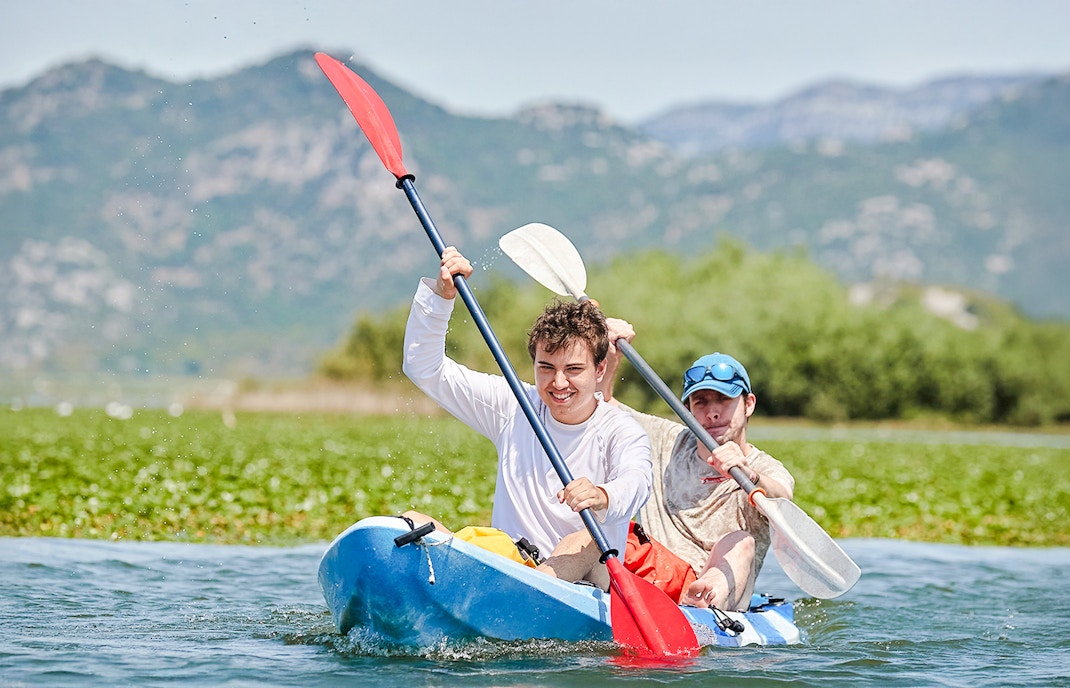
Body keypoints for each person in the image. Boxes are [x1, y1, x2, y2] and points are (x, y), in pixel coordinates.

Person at [400, 247, 652, 589]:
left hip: (588, 581)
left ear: (600, 369)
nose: (558, 383)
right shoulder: (514, 403)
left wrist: (602, 495)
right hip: (512, 565)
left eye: (574, 370)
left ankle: (532, 589)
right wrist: (442, 298)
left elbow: (636, 482)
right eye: (546, 368)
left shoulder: (621, 430)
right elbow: (424, 368)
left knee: (583, 540)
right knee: (410, 523)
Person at [599, 318, 795, 611]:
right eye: (700, 402)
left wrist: (748, 474)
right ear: (687, 409)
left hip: (718, 590)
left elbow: (783, 496)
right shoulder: (664, 438)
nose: (712, 413)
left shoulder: (764, 467)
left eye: (723, 400)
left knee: (742, 542)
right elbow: (601, 404)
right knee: (608, 527)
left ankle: (700, 603)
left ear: (749, 404)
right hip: (657, 576)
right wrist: (610, 354)